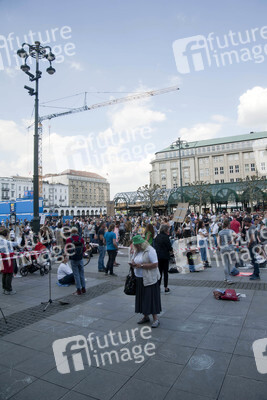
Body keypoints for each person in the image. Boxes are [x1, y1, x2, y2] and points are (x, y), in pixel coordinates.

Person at [131, 235, 161, 328]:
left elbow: (155, 264)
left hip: (149, 278)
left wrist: (142, 266)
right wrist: (133, 264)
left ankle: (155, 318)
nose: (136, 247)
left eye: (137, 245)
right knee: (142, 298)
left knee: (151, 298)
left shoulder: (150, 250)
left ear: (141, 244)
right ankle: (145, 316)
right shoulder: (137, 251)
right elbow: (133, 259)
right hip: (139, 277)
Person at [66, 227, 86, 295]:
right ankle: (83, 288)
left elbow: (67, 249)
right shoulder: (81, 239)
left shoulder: (69, 239)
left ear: (71, 232)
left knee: (76, 274)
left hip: (73, 258)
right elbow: (84, 249)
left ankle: (78, 289)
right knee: (82, 273)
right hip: (80, 258)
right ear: (77, 232)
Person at [153, 225, 172, 294]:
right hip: (165, 256)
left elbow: (155, 245)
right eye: (168, 230)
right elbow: (169, 247)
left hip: (158, 256)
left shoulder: (157, 236)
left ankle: (158, 286)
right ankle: (166, 287)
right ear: (165, 230)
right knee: (165, 272)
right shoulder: (166, 237)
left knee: (159, 272)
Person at [217, 219, 236, 284]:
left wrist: (219, 247)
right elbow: (236, 235)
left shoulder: (220, 232)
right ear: (229, 224)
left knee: (225, 263)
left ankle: (227, 277)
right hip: (230, 248)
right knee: (229, 264)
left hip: (223, 248)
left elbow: (218, 242)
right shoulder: (231, 231)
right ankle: (228, 278)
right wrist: (231, 241)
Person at [0, 227, 19, 295]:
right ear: (6, 234)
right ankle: (8, 289)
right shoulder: (4, 240)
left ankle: (4, 288)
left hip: (3, 257)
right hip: (9, 257)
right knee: (9, 273)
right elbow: (15, 244)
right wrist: (18, 239)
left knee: (4, 273)